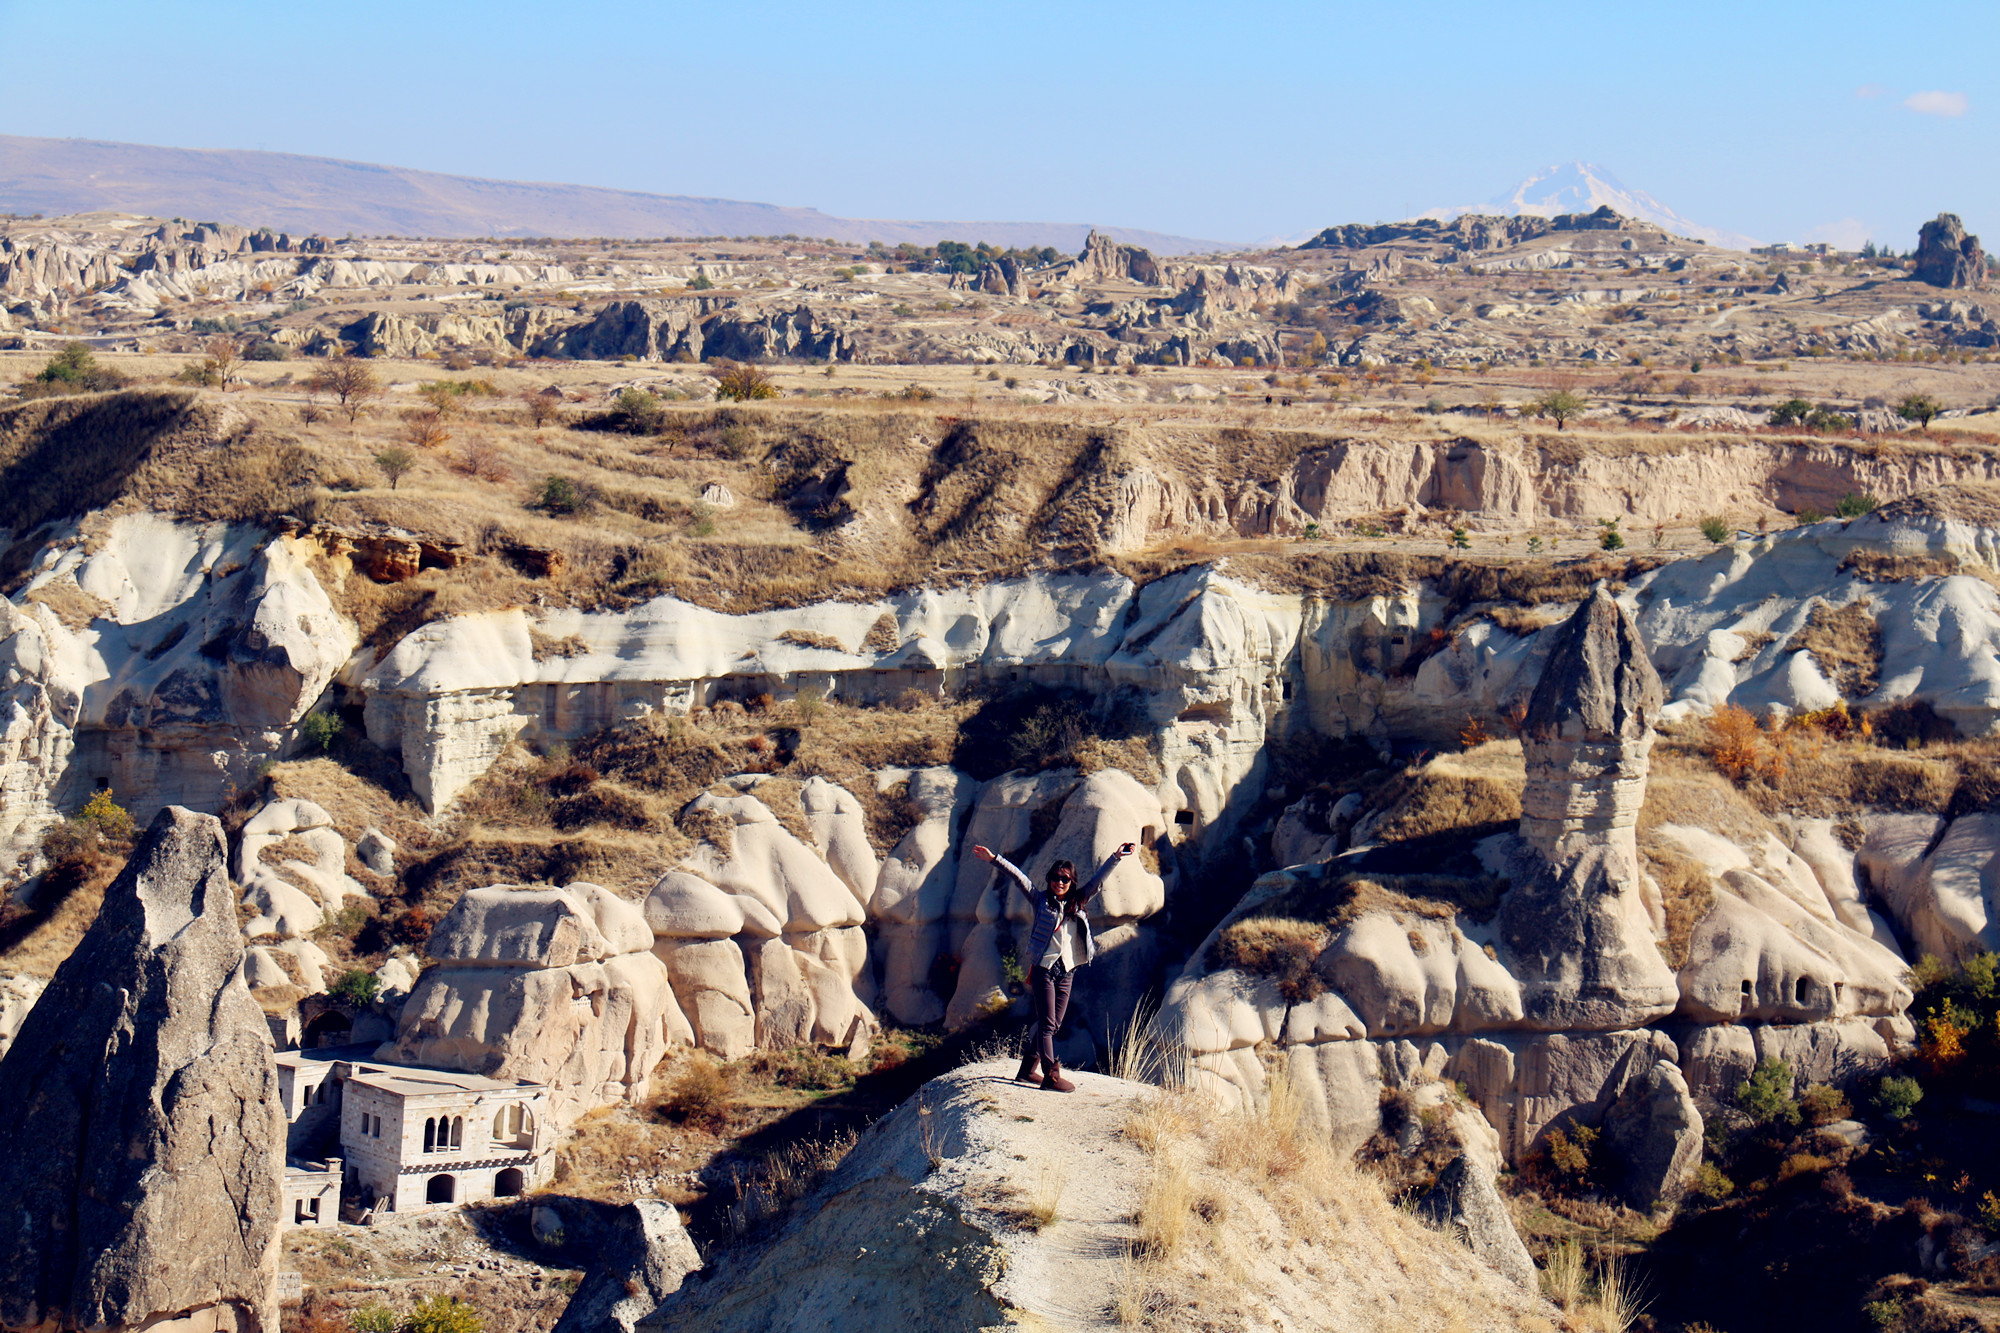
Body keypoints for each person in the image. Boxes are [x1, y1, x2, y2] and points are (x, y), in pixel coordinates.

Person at [971, 838, 1137, 1092]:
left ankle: (1027, 1071)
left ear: (1072, 882)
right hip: (1044, 970)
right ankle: (1051, 1074)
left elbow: (1097, 881)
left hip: (1067, 970)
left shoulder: (1079, 902)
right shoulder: (1040, 901)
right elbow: (1019, 878)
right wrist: (995, 859)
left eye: (1065, 879)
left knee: (1054, 1024)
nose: (1060, 882)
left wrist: (1116, 856)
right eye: (1056, 877)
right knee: (1047, 1024)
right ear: (1049, 879)